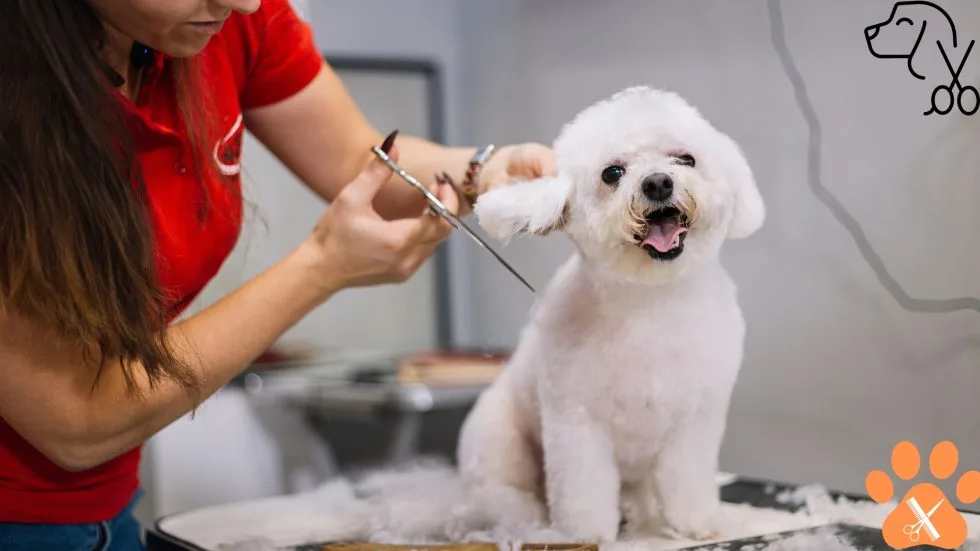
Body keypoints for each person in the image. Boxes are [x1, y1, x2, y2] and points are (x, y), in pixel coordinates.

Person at [0, 0, 556, 548]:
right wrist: (320, 268)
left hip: (113, 506)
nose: (242, 3)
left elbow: (354, 161)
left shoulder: (231, 23)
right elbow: (77, 423)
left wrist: (483, 172)